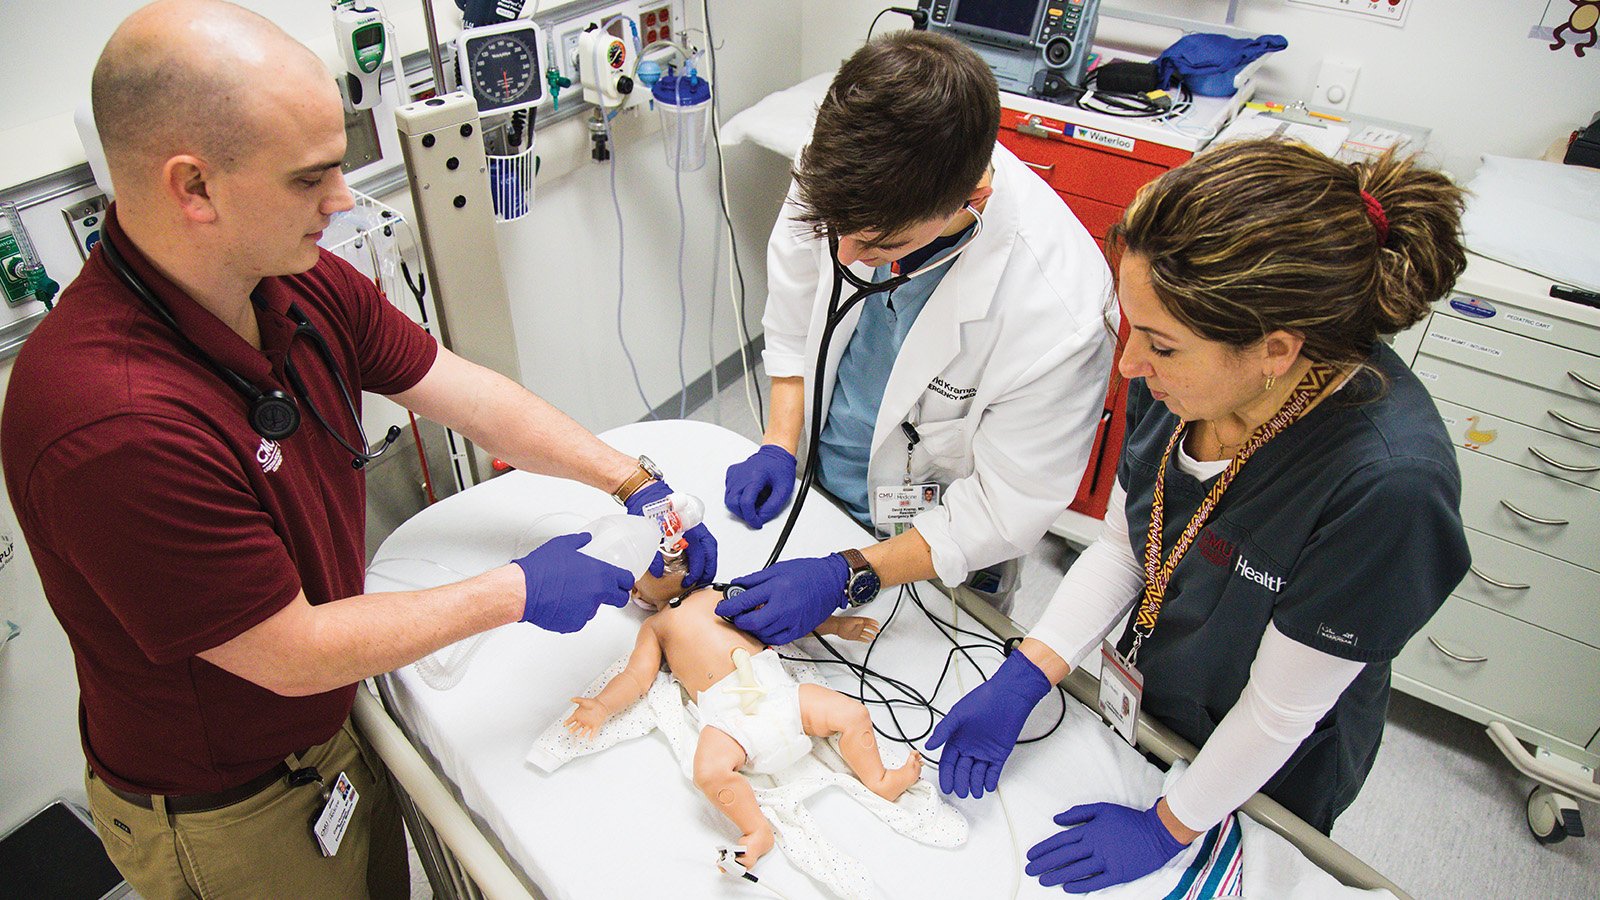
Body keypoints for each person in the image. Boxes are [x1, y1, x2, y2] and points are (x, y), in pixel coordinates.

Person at [0, 3, 715, 897]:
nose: (343, 201)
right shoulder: (109, 424)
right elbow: (285, 650)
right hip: (233, 801)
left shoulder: (286, 281)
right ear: (194, 188)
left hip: (330, 728)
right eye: (311, 179)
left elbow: (463, 393)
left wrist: (632, 482)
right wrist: (521, 589)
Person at [925, 138, 1472, 893]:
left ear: (1276, 350)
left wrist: (1167, 827)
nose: (1130, 367)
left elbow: (1279, 716)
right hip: (1161, 689)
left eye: (1159, 345)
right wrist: (1030, 671)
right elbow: (1129, 543)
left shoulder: (1388, 487)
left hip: (1268, 762)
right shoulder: (1186, 375)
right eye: (1134, 327)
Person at [718, 31, 1115, 643]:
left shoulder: (1058, 310)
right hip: (820, 495)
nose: (846, 255)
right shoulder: (845, 173)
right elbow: (796, 312)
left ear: (971, 199)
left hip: (938, 556)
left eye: (882, 245)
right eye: (835, 230)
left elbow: (1006, 507)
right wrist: (779, 439)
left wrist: (850, 572)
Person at [564, 569, 913, 870]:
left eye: (675, 545)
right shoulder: (656, 627)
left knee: (853, 713)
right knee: (708, 772)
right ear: (637, 591)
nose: (670, 554)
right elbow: (636, 677)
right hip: (729, 719)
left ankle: (879, 778)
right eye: (655, 558)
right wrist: (602, 706)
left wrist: (836, 625)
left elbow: (784, 616)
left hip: (782, 695)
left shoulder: (724, 593)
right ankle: (756, 831)